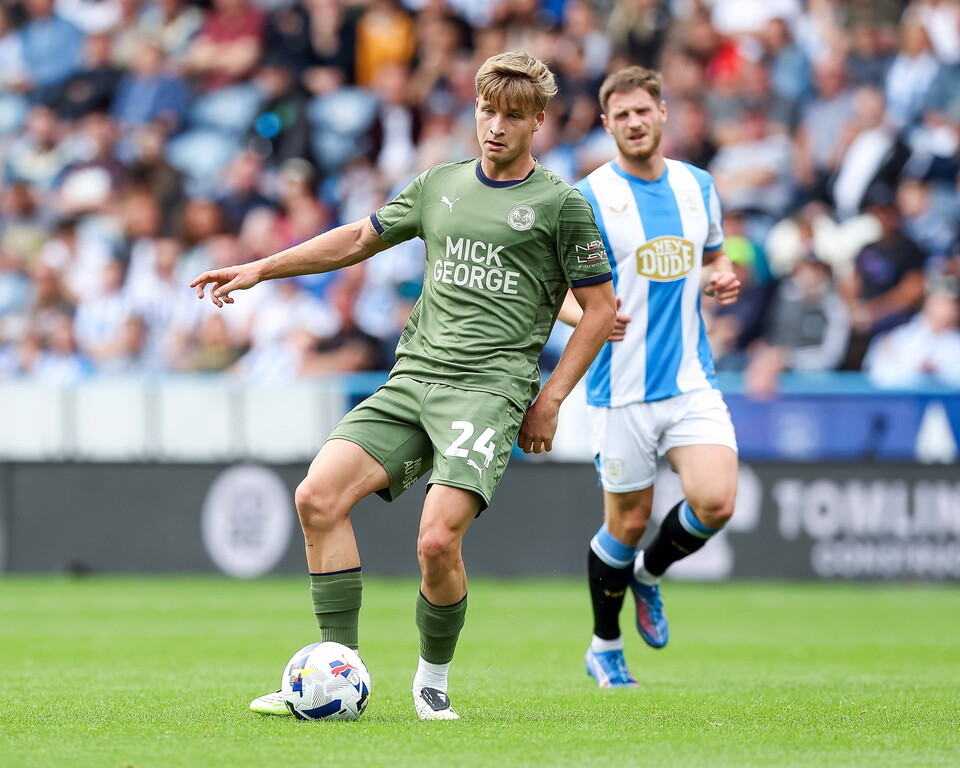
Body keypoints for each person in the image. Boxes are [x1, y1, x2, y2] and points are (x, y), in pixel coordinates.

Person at [190, 52, 616, 719]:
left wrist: (551, 399)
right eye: (487, 110)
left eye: (512, 115)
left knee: (437, 542)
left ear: (539, 120)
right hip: (412, 379)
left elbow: (599, 310)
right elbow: (357, 240)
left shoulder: (561, 206)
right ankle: (337, 676)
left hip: (487, 394)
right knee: (317, 497)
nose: (495, 126)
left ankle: (432, 681)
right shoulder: (439, 183)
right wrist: (262, 268)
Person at [559, 66, 741, 688]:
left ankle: (649, 575)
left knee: (716, 501)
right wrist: (588, 318)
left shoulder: (698, 185)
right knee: (628, 524)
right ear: (606, 124)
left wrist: (720, 276)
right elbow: (554, 291)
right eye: (622, 115)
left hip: (690, 378)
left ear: (663, 112)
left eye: (643, 110)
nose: (634, 122)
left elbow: (713, 255)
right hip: (620, 388)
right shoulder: (587, 197)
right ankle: (604, 645)